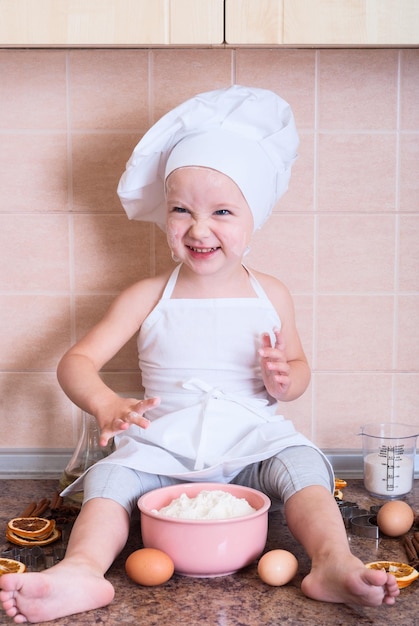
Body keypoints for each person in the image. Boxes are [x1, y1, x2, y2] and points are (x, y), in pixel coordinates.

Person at [0, 85, 399, 623]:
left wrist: (285, 380)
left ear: (254, 217)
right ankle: (84, 571)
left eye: (223, 211)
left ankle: (331, 562)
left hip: (251, 442)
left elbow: (300, 369)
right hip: (163, 448)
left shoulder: (272, 293)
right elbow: (76, 362)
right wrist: (104, 402)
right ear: (164, 215)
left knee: (304, 463)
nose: (199, 228)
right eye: (181, 209)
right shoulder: (147, 294)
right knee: (109, 479)